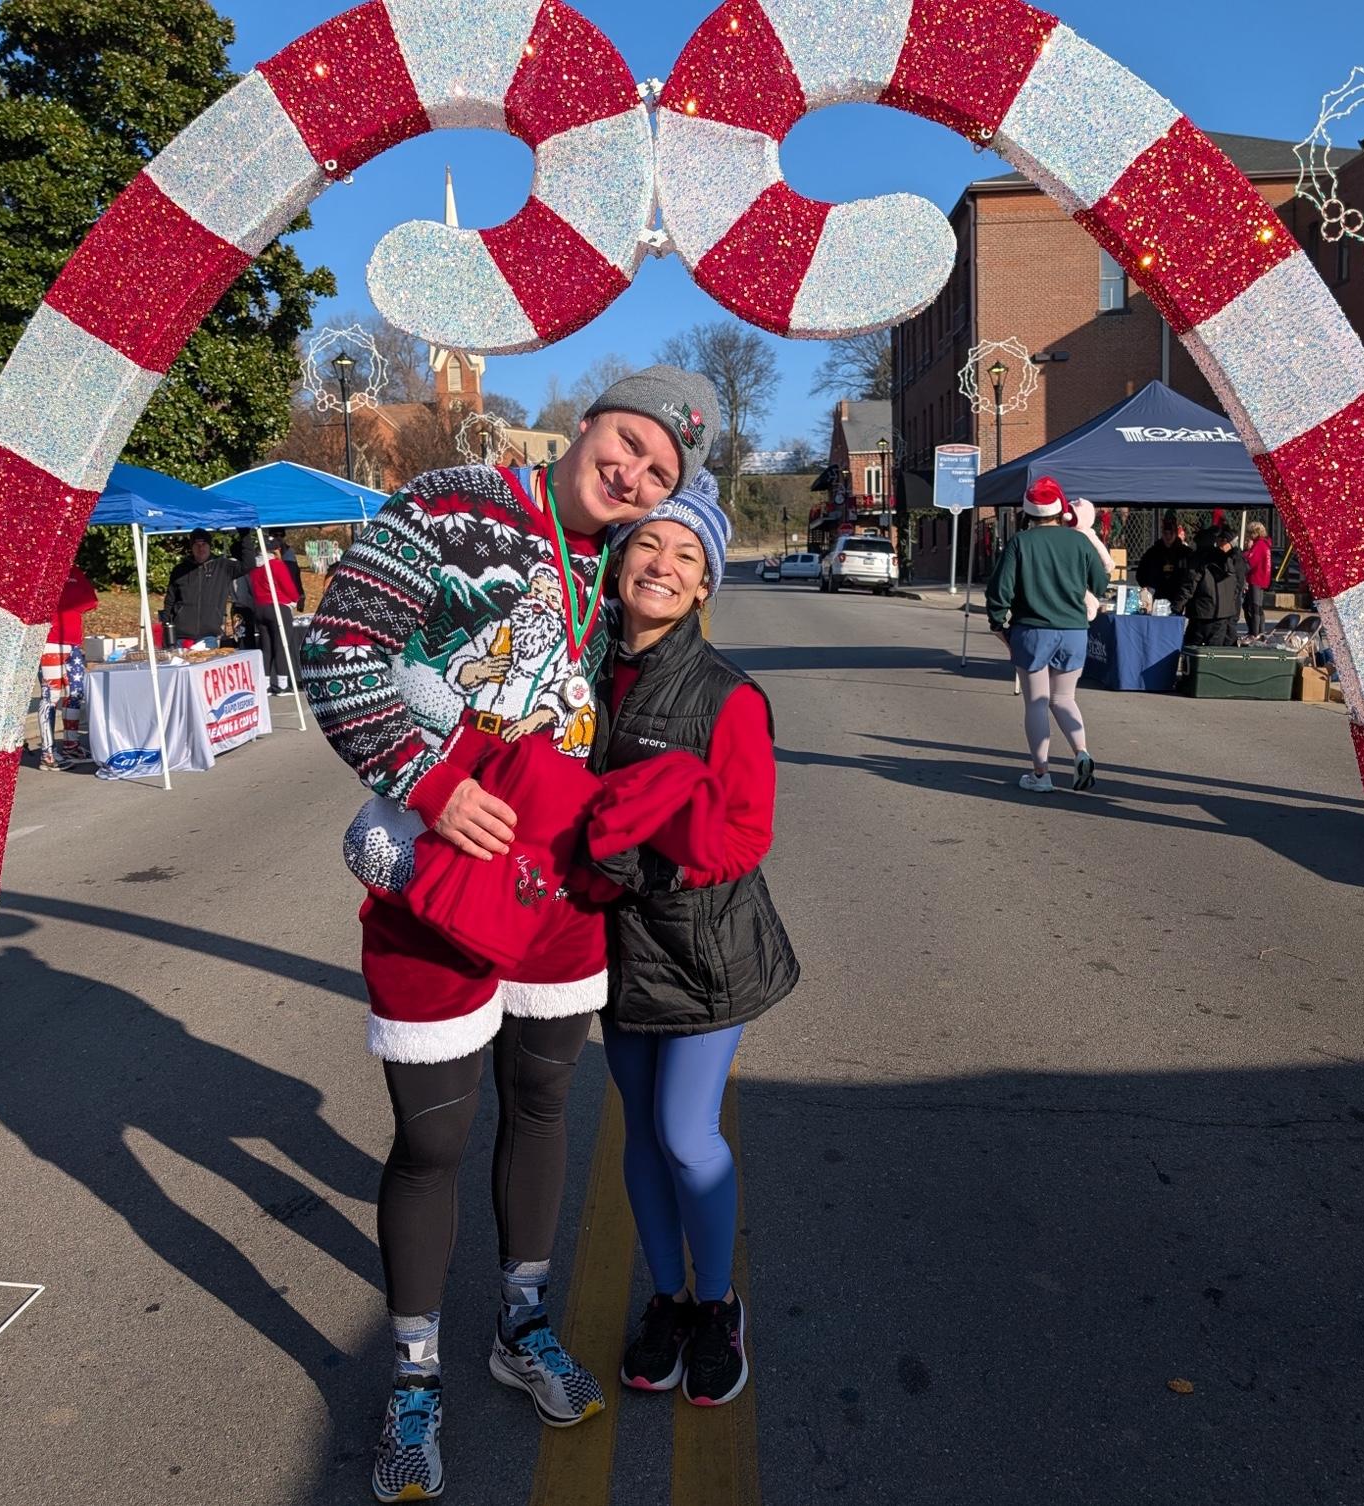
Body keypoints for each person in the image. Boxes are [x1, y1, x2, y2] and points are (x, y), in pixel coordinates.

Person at [302, 363, 719, 1505]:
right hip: (443, 878)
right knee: (433, 1141)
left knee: (541, 1108)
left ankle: (520, 1324)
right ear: (587, 424)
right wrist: (430, 785)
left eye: (660, 473)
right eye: (628, 442)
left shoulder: (618, 567)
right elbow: (337, 647)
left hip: (560, 893)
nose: (633, 475)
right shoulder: (454, 502)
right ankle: (414, 1373)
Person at [591, 471, 797, 1410]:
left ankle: (718, 1306)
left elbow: (745, 838)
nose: (662, 566)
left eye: (686, 556)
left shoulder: (728, 696)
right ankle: (669, 1299)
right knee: (640, 1133)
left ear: (706, 583)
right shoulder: (578, 676)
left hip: (704, 951)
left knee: (686, 1134)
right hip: (611, 950)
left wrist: (646, 846)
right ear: (618, 559)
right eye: (648, 544)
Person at [985, 476, 1108, 793]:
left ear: (1028, 511)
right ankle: (1081, 752)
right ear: (1060, 509)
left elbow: (999, 591)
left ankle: (1041, 774)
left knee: (1037, 703)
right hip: (1074, 631)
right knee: (1064, 698)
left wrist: (998, 625)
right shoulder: (1079, 541)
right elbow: (1099, 582)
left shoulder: (1020, 543)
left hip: (1032, 631)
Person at [37, 564, 98, 770]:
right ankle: (48, 754)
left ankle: (71, 745)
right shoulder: (45, 568)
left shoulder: (75, 571)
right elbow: (42, 602)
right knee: (51, 696)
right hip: (50, 642)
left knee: (76, 693)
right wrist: (70, 600)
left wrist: (66, 601)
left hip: (73, 643)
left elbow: (90, 600)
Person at [162, 528, 249, 646]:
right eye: (197, 545)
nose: (200, 548)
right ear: (192, 547)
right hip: (181, 637)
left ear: (209, 546)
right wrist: (166, 626)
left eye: (204, 544)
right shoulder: (180, 570)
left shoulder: (223, 566)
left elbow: (248, 565)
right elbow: (170, 600)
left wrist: (245, 535)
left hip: (208, 637)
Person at [1173, 523, 1249, 646]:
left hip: (1201, 612)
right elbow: (1237, 586)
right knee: (1214, 650)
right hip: (1223, 613)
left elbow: (1189, 585)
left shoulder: (1199, 559)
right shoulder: (1231, 559)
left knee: (1192, 647)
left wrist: (1177, 606)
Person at [248, 534, 304, 695]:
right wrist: (295, 599)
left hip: (260, 608)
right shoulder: (276, 565)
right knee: (282, 645)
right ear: (274, 551)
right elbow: (288, 586)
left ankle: (266, 684)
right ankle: (282, 684)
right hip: (277, 607)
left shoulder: (254, 568)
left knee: (266, 647)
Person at [1134, 512, 1191, 607]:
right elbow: (1140, 573)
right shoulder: (1153, 552)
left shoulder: (1185, 553)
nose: (1168, 537)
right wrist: (1148, 588)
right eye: (1165, 533)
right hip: (1158, 599)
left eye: (1171, 533)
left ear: (1175, 533)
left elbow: (1191, 578)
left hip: (1179, 599)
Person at [1242, 521, 1272, 639]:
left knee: (1254, 606)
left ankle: (1255, 633)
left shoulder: (1259, 544)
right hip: (1261, 578)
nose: (1249, 536)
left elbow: (1251, 560)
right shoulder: (1265, 544)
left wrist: (1244, 555)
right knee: (1255, 606)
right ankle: (1259, 632)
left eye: (1250, 533)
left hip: (1256, 578)